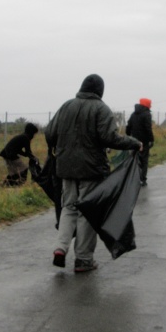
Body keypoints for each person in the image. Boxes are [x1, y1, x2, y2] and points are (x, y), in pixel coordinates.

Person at [45, 74, 142, 273]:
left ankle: (60, 248)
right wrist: (134, 143)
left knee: (69, 208)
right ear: (100, 90)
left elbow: (49, 133)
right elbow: (110, 138)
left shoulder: (66, 106)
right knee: (86, 213)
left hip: (65, 168)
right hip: (91, 170)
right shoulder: (101, 109)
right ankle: (83, 259)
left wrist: (63, 150)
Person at [126, 98, 154, 186]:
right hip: (144, 142)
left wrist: (129, 135)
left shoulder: (133, 114)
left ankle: (134, 178)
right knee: (144, 160)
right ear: (147, 105)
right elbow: (148, 128)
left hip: (134, 141)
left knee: (134, 159)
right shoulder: (147, 114)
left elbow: (128, 126)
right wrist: (151, 139)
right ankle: (143, 179)